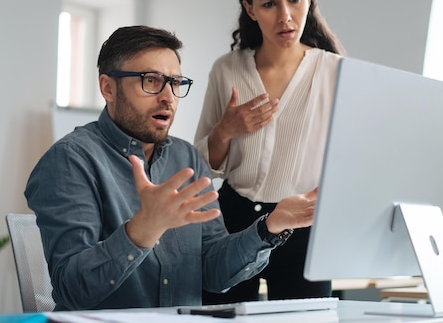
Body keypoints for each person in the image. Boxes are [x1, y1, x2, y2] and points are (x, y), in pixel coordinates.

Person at [24, 25, 318, 311]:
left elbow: (213, 272)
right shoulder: (69, 161)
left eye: (175, 83)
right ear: (108, 88)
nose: (167, 97)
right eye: (150, 81)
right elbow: (71, 289)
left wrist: (270, 227)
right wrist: (142, 230)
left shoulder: (186, 158)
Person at [194, 0, 346, 304]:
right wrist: (225, 130)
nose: (285, 17)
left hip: (303, 227)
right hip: (232, 222)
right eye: (268, 4)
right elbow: (201, 165)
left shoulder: (336, 73)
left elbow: (352, 160)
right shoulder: (226, 70)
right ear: (249, 9)